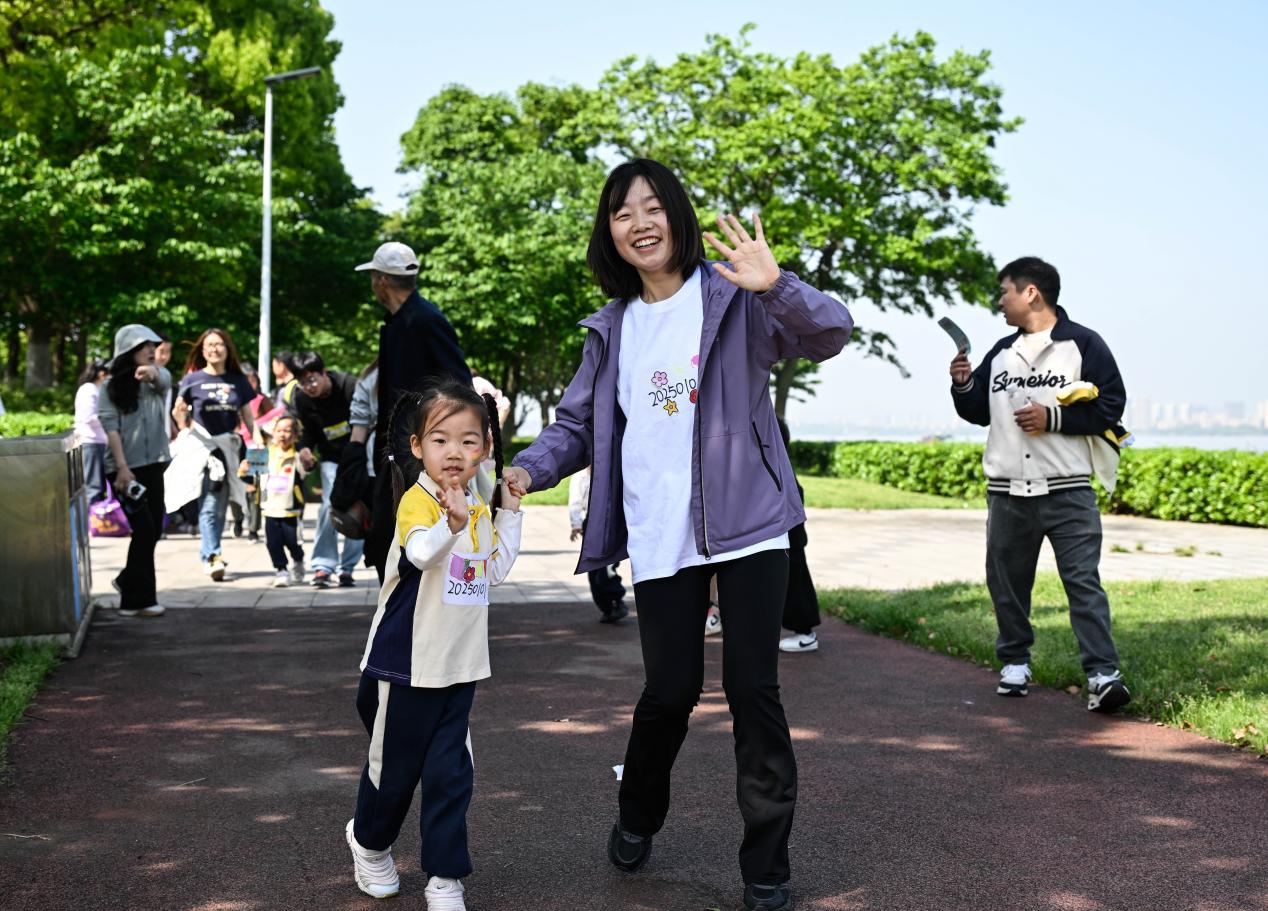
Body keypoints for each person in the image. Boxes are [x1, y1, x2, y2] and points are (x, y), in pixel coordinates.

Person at [503, 158, 852, 911]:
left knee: (753, 690)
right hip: (661, 529)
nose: (640, 223)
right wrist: (528, 469)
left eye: (653, 206)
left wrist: (777, 284)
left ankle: (767, 865)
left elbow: (830, 332)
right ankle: (638, 811)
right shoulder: (613, 329)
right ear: (609, 232)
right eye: (623, 212)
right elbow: (575, 426)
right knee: (670, 691)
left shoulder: (735, 296)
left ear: (678, 216)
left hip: (749, 521)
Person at [346, 380, 522, 910]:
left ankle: (446, 876)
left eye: (468, 441)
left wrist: (509, 511)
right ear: (418, 446)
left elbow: (493, 571)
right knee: (393, 774)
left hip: (460, 668)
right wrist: (451, 523)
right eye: (440, 440)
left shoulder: (477, 505)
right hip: (404, 667)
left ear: (485, 448)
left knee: (451, 775)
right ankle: (369, 842)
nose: (454, 452)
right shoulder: (416, 502)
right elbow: (421, 554)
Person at [949, 256, 1131, 713]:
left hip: (1069, 490)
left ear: (1030, 292)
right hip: (1007, 492)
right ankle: (1015, 662)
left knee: (1083, 583)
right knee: (1007, 584)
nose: (999, 302)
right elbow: (977, 412)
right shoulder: (1000, 352)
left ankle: (1103, 675)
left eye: (1004, 292)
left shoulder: (1084, 344)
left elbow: (1111, 405)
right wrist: (963, 385)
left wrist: (1053, 418)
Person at [354, 241, 472, 582]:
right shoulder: (399, 322)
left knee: (406, 542)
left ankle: (409, 611)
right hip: (397, 452)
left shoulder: (425, 319)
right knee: (386, 542)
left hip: (417, 457)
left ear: (381, 280)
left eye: (373, 278)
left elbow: (459, 386)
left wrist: (443, 445)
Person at [98, 325, 172, 618]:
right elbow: (111, 428)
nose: (152, 350)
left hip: (154, 464)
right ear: (129, 351)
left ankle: (128, 582)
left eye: (154, 345)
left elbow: (164, 380)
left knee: (154, 529)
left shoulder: (156, 379)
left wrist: (152, 374)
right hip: (124, 470)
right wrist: (122, 469)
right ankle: (138, 601)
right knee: (144, 529)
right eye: (145, 346)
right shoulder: (109, 388)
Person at [174, 327, 256, 581]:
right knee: (210, 503)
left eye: (219, 344)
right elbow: (179, 414)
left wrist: (258, 447)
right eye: (209, 345)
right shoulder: (192, 380)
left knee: (221, 507)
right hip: (202, 450)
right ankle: (213, 555)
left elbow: (248, 417)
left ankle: (210, 554)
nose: (214, 349)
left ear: (227, 349)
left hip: (229, 450)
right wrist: (182, 423)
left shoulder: (238, 380)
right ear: (202, 350)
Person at [290, 351, 362, 588]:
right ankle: (323, 565)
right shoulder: (302, 398)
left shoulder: (349, 386)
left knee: (357, 508)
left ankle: (348, 567)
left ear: (324, 373)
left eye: (311, 380)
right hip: (331, 458)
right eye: (302, 382)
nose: (308, 387)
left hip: (359, 456)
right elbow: (308, 432)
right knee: (328, 507)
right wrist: (305, 449)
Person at [242, 414, 307, 588]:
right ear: (273, 432)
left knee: (293, 542)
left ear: (295, 434)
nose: (282, 434)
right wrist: (244, 471)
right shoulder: (264, 454)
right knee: (273, 543)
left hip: (290, 509)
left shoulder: (298, 455)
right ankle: (281, 570)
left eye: (287, 431)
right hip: (269, 508)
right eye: (279, 431)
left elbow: (308, 468)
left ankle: (298, 560)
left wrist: (308, 461)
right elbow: (253, 478)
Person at [776, 418, 821, 654]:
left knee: (795, 583)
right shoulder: (781, 465)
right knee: (792, 582)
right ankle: (804, 631)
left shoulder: (778, 469)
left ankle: (806, 633)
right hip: (788, 534)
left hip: (788, 536)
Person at [568, 466, 628, 622]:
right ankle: (606, 607)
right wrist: (576, 524)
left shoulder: (612, 470)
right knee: (593, 569)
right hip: (592, 522)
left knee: (607, 567)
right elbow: (575, 501)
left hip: (612, 521)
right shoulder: (581, 476)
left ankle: (617, 600)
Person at [73, 360, 109, 504]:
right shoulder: (89, 389)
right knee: (94, 487)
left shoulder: (95, 389)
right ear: (102, 374)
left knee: (98, 486)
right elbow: (88, 417)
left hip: (97, 442)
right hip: (91, 442)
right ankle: (92, 517)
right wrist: (109, 421)